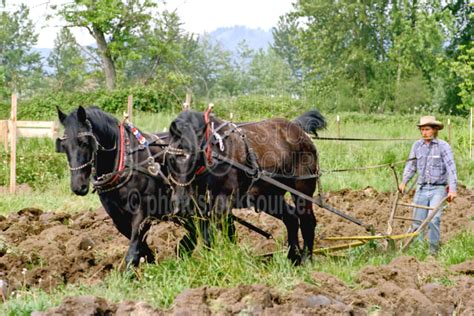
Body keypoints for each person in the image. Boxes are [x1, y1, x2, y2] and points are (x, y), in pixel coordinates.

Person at [399, 116, 457, 254]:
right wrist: (403, 182)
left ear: (435, 130)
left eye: (427, 129)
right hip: (422, 187)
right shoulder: (417, 146)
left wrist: (453, 189)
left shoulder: (443, 146)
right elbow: (411, 166)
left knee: (433, 219)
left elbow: (451, 168)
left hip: (438, 188)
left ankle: (433, 252)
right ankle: (418, 251)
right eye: (422, 130)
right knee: (417, 221)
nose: (424, 132)